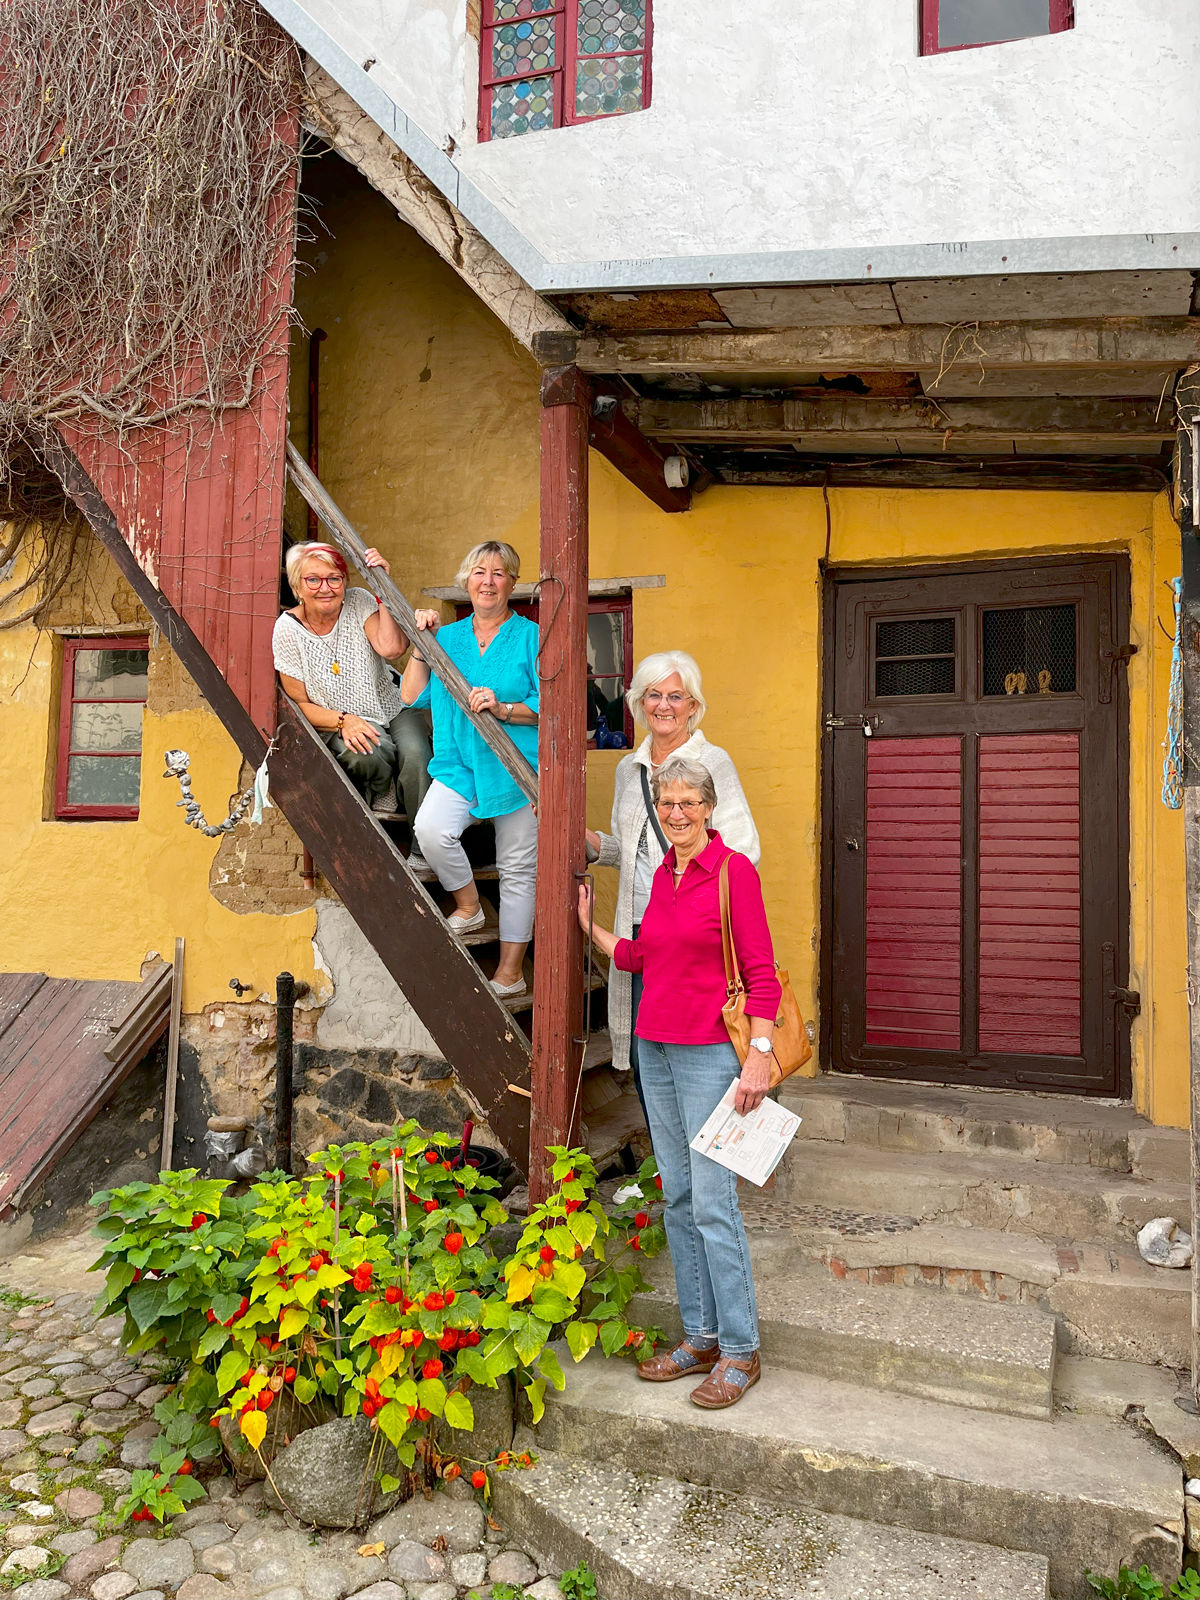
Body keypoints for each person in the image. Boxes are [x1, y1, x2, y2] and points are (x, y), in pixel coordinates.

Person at [578, 757, 778, 1409]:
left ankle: (742, 1350)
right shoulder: (663, 876)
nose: (677, 813)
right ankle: (700, 1338)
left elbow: (763, 973)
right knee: (681, 1200)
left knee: (716, 1204)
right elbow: (646, 955)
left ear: (710, 807)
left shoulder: (733, 874)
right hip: (655, 1050)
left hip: (713, 1057)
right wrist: (593, 930)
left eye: (689, 802)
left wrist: (761, 1057)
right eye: (668, 803)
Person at [585, 651, 759, 1110]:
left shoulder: (712, 762)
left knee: (700, 1057)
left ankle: (704, 1162)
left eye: (675, 696)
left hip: (694, 936)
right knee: (649, 1058)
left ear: (693, 706)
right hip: (642, 931)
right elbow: (628, 849)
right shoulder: (630, 770)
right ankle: (666, 1169)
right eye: (654, 695)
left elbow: (743, 850)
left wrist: (689, 896)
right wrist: (583, 841)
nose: (664, 705)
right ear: (640, 702)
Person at [400, 541, 539, 998]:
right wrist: (421, 645)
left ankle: (511, 972)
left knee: (518, 869)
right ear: (466, 581)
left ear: (512, 584)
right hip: (459, 763)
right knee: (431, 828)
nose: (488, 581)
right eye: (479, 572)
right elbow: (410, 696)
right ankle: (469, 904)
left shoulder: (530, 637)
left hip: (516, 768)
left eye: (499, 573)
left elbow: (554, 705)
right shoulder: (449, 637)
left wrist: (504, 708)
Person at [273, 541, 432, 836]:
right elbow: (300, 704)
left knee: (416, 755)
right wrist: (344, 720)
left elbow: (393, 648)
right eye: (313, 580)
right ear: (297, 585)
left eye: (335, 579)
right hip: (339, 719)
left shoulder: (359, 601)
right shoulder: (287, 629)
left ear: (345, 582)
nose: (325, 588)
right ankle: (383, 787)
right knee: (367, 751)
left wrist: (383, 592)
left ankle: (423, 847)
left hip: (392, 703)